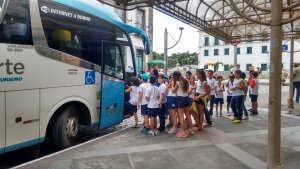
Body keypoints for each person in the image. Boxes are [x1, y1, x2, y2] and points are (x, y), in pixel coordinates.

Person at [172, 71, 194, 138]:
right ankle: (191, 129)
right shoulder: (186, 81)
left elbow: (173, 91)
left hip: (180, 99)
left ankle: (183, 132)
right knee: (187, 115)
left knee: (181, 116)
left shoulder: (178, 83)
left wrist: (172, 84)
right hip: (186, 98)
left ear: (176, 76)